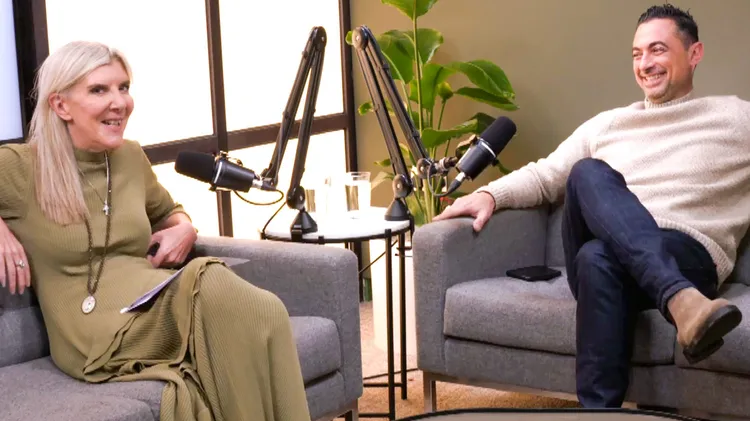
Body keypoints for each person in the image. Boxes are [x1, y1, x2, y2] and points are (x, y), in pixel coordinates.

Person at [435, 3, 750, 409]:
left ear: (694, 53)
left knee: (596, 257)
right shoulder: (609, 124)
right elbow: (546, 175)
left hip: (688, 256)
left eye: (658, 50)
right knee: (586, 172)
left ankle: (598, 414)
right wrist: (490, 195)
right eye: (637, 54)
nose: (645, 64)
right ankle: (681, 302)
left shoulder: (735, 118)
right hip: (671, 278)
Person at [0, 41, 311, 421]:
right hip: (91, 328)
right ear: (60, 105)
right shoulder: (20, 167)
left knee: (264, 312)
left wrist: (185, 229)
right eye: (99, 90)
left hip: (149, 299)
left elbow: (168, 212)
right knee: (220, 288)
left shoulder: (130, 156)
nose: (119, 102)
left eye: (123, 87)